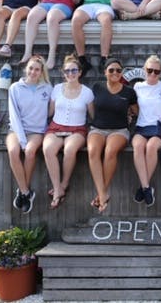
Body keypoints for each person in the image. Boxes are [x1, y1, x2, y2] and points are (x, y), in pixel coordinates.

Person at [43, 54, 95, 209]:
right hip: (56, 127)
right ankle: (57, 188)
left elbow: (93, 116)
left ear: (79, 72)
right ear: (63, 73)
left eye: (74, 71)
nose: (70, 74)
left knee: (70, 149)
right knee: (48, 149)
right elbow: (49, 112)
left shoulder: (87, 92)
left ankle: (63, 185)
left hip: (77, 129)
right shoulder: (57, 89)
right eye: (67, 71)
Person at [87, 58, 138, 213]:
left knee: (110, 151)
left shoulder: (129, 91)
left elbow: (137, 111)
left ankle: (102, 194)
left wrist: (130, 115)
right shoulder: (97, 87)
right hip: (97, 128)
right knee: (93, 151)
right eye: (111, 70)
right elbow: (91, 109)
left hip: (119, 130)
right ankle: (103, 194)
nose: (115, 73)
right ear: (105, 72)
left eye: (118, 70)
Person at [6, 55, 52, 213]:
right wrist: (21, 139)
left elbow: (52, 110)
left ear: (41, 72)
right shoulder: (15, 88)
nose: (33, 72)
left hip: (37, 131)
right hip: (16, 129)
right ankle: (26, 192)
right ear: (26, 69)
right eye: (31, 68)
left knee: (31, 151)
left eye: (37, 69)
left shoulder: (47, 88)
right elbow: (14, 115)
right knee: (13, 151)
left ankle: (22, 192)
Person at [132, 55, 161, 207]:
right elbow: (134, 108)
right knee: (137, 146)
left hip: (159, 126)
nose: (153, 74)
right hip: (142, 125)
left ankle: (143, 188)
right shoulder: (137, 87)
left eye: (157, 71)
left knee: (151, 147)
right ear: (144, 70)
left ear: (160, 72)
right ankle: (147, 188)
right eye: (150, 71)